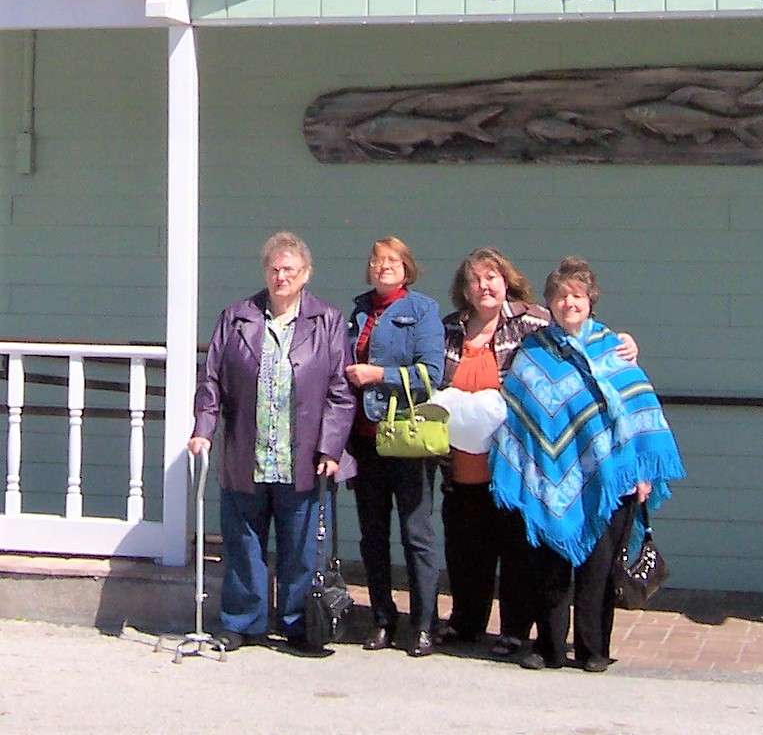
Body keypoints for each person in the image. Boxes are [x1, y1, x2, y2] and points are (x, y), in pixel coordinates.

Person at [438, 248, 639, 657]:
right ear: (465, 288)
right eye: (475, 279)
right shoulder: (448, 330)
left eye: (492, 276)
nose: (484, 285)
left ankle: (517, 630)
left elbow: (580, 331)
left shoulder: (532, 322)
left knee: (518, 554)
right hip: (460, 462)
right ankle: (466, 623)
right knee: (464, 550)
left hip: (516, 462)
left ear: (506, 280)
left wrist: (625, 343)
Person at [491, 256, 685, 672]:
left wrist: (641, 473)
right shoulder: (534, 352)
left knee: (598, 570)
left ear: (590, 300)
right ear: (550, 303)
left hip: (608, 479)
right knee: (551, 568)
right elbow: (521, 415)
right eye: (560, 297)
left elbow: (638, 408)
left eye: (576, 296)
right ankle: (549, 648)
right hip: (549, 479)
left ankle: (594, 650)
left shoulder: (613, 347)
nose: (568, 303)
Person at [188, 231, 355, 654]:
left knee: (301, 546)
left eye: (290, 270)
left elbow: (339, 390)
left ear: (306, 275)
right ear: (266, 271)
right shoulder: (237, 317)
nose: (282, 277)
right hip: (248, 450)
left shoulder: (328, 320)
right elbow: (212, 383)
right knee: (244, 541)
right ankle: (243, 622)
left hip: (302, 456)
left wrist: (331, 448)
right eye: (275, 269)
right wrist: (202, 431)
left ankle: (300, 624)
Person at [345, 237, 445, 657]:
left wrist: (377, 374)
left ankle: (423, 625)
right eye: (376, 260)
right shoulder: (358, 312)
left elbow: (431, 374)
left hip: (406, 438)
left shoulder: (423, 310)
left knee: (416, 534)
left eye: (392, 260)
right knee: (372, 536)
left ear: (406, 267)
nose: (383, 267)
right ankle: (383, 619)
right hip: (365, 440)